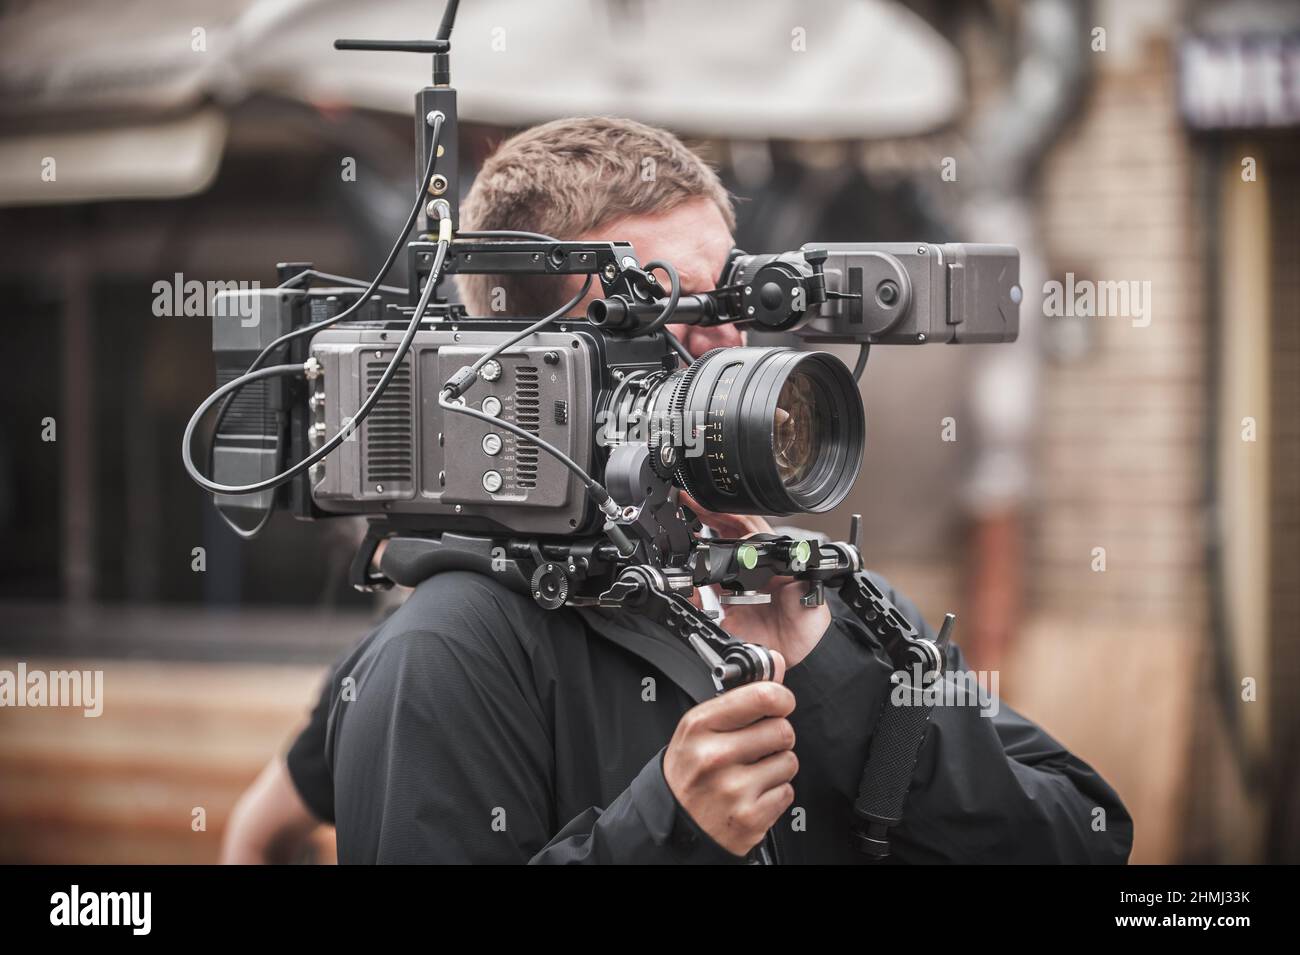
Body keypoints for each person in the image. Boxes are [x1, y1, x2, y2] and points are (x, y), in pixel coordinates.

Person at [224, 117, 1132, 865]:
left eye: (731, 299)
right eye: (663, 316)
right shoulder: (449, 652)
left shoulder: (819, 595)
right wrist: (668, 831)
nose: (725, 347)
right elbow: (260, 833)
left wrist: (834, 671)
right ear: (522, 365)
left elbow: (1084, 838)